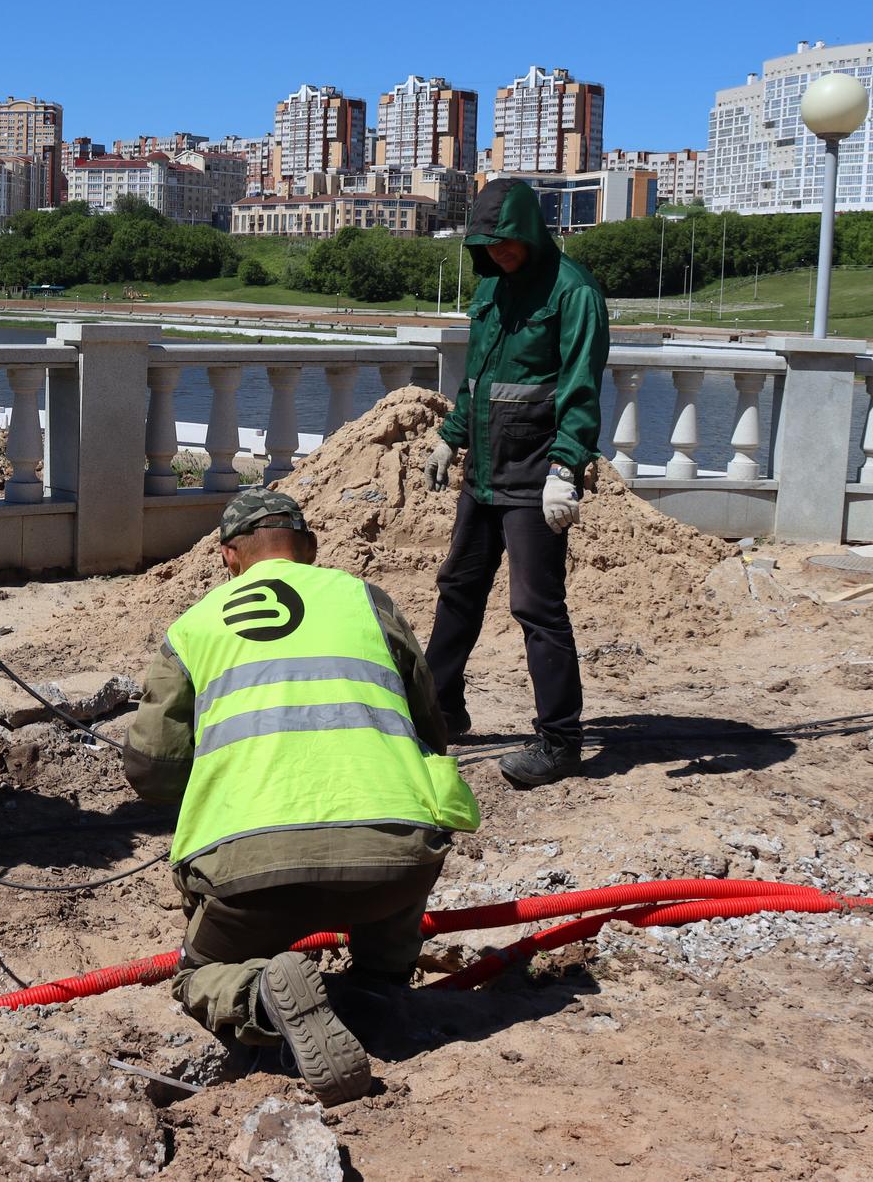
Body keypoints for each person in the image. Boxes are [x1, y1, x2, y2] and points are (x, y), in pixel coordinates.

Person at [123, 491, 480, 1105]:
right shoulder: (366, 601)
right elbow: (430, 724)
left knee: (199, 976)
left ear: (229, 557)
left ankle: (261, 997)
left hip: (253, 877)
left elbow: (150, 769)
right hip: (391, 859)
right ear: (308, 549)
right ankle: (377, 989)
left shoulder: (193, 628)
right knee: (397, 858)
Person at [421, 179, 610, 789]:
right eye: (487, 247)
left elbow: (580, 389)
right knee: (458, 589)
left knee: (536, 606)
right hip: (484, 471)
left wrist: (566, 468)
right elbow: (477, 379)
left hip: (536, 474)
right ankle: (438, 713)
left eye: (505, 245)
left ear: (528, 232)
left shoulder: (573, 292)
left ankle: (560, 741)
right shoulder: (490, 288)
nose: (498, 256)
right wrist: (450, 435)